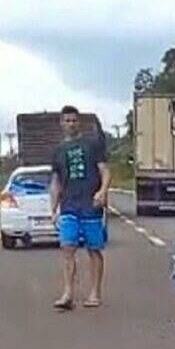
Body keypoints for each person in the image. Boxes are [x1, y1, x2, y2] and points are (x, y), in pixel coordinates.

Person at [50, 106, 111, 311]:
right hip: (69, 205)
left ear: (79, 123)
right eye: (67, 121)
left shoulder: (91, 144)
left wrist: (102, 191)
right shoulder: (58, 151)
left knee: (94, 250)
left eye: (74, 120)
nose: (71, 124)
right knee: (68, 248)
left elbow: (105, 171)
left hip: (90, 205)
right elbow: (56, 181)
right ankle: (68, 293)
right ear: (61, 123)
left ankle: (95, 292)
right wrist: (53, 209)